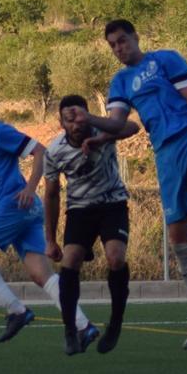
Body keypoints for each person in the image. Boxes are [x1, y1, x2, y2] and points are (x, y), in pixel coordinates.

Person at [76, 19, 187, 349]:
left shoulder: (165, 59)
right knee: (177, 234)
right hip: (164, 154)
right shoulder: (121, 81)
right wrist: (94, 128)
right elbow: (118, 122)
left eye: (122, 40)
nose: (119, 48)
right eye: (113, 45)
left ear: (135, 37)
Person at [0, 86, 99, 349]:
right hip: (23, 210)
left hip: (14, 203)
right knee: (42, 275)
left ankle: (16, 310)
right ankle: (84, 326)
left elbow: (41, 152)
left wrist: (30, 187)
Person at [43, 94, 139, 355]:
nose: (76, 122)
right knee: (70, 261)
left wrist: (101, 132)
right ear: (61, 123)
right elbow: (51, 195)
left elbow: (132, 127)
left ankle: (115, 323)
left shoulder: (103, 130)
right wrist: (50, 239)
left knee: (115, 258)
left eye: (80, 114)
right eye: (69, 118)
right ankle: (70, 330)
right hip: (80, 210)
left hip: (112, 204)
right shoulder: (54, 151)